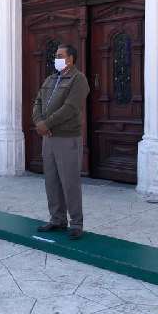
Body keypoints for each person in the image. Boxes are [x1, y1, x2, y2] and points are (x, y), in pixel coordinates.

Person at [31, 44, 90, 240]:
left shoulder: (78, 79)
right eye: (55, 55)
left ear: (71, 59)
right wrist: (38, 122)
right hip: (48, 137)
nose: (55, 58)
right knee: (52, 180)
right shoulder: (50, 78)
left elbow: (71, 107)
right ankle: (57, 219)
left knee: (69, 181)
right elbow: (38, 101)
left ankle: (76, 223)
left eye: (60, 55)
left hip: (67, 137)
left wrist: (46, 123)